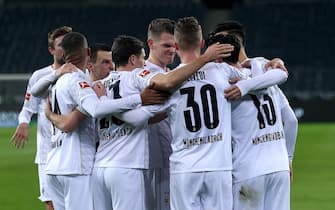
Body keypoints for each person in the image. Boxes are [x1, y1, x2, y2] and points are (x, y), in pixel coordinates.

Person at [44, 31, 232, 210]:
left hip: (99, 167)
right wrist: (162, 103)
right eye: (143, 58)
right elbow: (140, 112)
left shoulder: (97, 85)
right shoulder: (136, 76)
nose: (145, 64)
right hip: (126, 167)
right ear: (133, 59)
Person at [139, 16, 288, 210]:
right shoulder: (222, 71)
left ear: (176, 45)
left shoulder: (171, 81)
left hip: (185, 168)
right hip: (219, 167)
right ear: (202, 43)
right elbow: (269, 75)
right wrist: (267, 63)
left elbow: (146, 115)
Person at [212, 21, 298, 210]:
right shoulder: (263, 69)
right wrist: (289, 158)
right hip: (279, 167)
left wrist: (243, 86)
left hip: (248, 168)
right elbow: (291, 120)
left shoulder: (223, 77)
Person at [10, 25, 72, 210]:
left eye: (69, 43)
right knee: (51, 204)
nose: (66, 48)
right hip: (48, 152)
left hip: (74, 150)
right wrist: (23, 123)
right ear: (51, 50)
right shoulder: (39, 76)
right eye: (61, 44)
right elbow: (28, 108)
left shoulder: (83, 74)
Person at [145, 18, 176, 210]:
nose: (172, 50)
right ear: (151, 44)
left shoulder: (172, 73)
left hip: (172, 159)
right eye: (166, 45)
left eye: (174, 46)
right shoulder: (142, 75)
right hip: (151, 161)